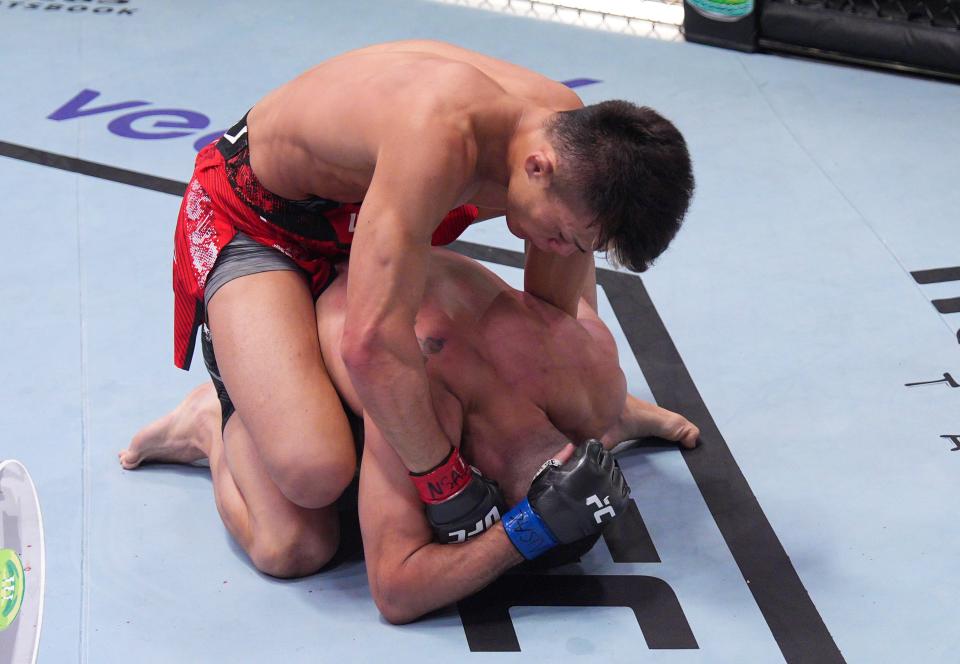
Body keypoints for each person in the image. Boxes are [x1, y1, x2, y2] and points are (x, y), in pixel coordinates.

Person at [169, 39, 695, 536]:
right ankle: (212, 421)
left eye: (582, 245)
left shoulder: (564, 133)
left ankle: (287, 377)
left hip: (370, 218)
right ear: (538, 168)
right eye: (560, 235)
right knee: (308, 494)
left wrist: (591, 406)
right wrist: (447, 485)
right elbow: (371, 343)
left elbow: (549, 320)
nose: (562, 250)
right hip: (254, 222)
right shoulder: (438, 140)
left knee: (577, 404)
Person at [124, 248, 700, 621]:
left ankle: (623, 415)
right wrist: (526, 534)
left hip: (361, 263)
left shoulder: (585, 376)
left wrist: (607, 425)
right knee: (293, 546)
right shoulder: (419, 406)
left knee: (595, 409)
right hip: (264, 302)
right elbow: (395, 592)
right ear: (500, 503)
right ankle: (214, 424)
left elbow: (574, 252)